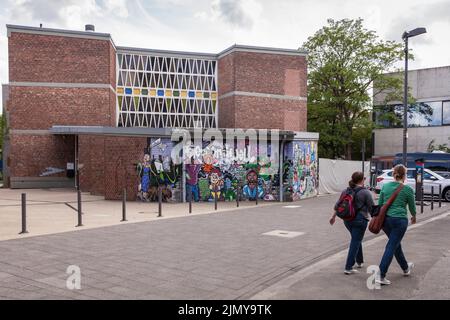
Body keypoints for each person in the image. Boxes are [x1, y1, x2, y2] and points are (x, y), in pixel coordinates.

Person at [376, 164, 416, 285]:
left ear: (394, 174)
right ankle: (381, 275)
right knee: (391, 246)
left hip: (386, 221)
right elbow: (412, 206)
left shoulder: (385, 186)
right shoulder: (407, 189)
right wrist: (414, 216)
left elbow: (380, 203)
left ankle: (405, 268)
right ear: (404, 175)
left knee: (395, 244)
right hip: (399, 221)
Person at [330, 171, 374, 274]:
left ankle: (359, 261)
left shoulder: (346, 191)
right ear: (361, 180)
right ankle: (348, 267)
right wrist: (378, 219)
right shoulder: (365, 192)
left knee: (356, 239)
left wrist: (333, 217)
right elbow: (372, 208)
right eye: (364, 178)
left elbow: (337, 206)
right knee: (355, 241)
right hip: (360, 220)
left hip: (347, 220)